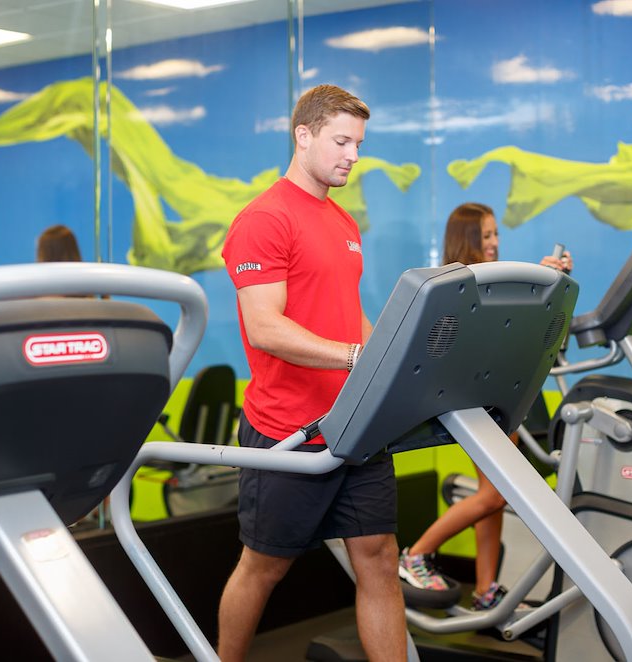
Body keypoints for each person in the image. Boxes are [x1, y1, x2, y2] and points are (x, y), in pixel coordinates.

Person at [219, 84, 406, 661]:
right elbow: (265, 328)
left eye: (359, 144)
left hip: (355, 423)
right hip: (288, 429)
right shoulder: (264, 219)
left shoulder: (344, 224)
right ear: (303, 136)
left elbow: (350, 318)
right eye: (341, 141)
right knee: (264, 566)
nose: (353, 154)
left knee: (378, 554)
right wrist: (358, 358)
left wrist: (393, 358)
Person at [398, 202, 572, 609]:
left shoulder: (495, 280)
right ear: (467, 239)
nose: (494, 243)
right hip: (474, 402)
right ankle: (416, 555)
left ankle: (484, 589)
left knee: (491, 495)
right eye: (486, 236)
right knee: (495, 496)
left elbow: (521, 327)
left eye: (496, 234)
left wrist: (551, 279)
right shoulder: (455, 284)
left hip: (499, 398)